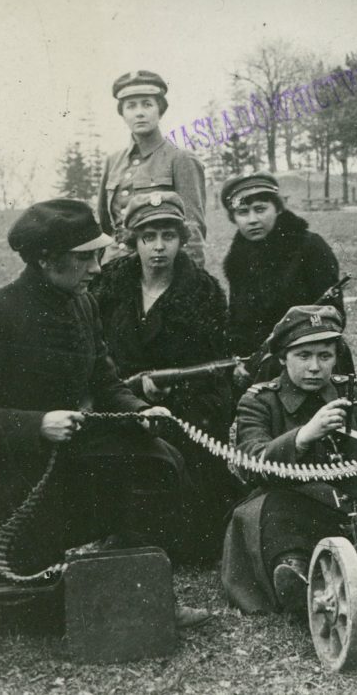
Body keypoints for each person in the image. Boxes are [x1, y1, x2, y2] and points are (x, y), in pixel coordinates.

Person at [0, 199, 208, 628]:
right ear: (46, 260)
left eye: (98, 255)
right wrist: (37, 425)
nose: (97, 268)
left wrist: (140, 410)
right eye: (84, 258)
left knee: (158, 458)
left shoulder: (81, 302)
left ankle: (134, 584)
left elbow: (102, 379)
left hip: (65, 449)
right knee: (8, 610)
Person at [91, 191, 242, 565]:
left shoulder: (203, 292)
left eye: (168, 237)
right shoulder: (108, 285)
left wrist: (171, 395)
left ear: (181, 240)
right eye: (148, 237)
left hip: (185, 413)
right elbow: (93, 350)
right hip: (117, 403)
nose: (158, 248)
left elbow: (216, 371)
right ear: (133, 241)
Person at [220, 305, 357, 615]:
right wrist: (302, 436)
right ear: (283, 358)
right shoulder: (260, 400)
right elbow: (250, 463)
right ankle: (295, 577)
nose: (315, 367)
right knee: (277, 509)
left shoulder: (355, 396)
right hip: (289, 507)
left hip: (348, 504)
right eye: (303, 356)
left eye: (325, 356)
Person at [220, 172, 347, 386]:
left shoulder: (310, 247)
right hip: (254, 367)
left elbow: (333, 315)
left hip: (310, 363)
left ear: (278, 209)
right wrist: (237, 359)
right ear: (234, 218)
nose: (252, 220)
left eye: (260, 209)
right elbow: (237, 320)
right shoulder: (237, 259)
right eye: (243, 212)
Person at [97, 70, 208, 268]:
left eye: (147, 104)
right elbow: (105, 229)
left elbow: (193, 229)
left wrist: (192, 282)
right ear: (122, 113)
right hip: (113, 270)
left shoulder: (181, 159)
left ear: (160, 110)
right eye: (131, 106)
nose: (139, 112)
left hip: (159, 270)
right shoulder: (113, 161)